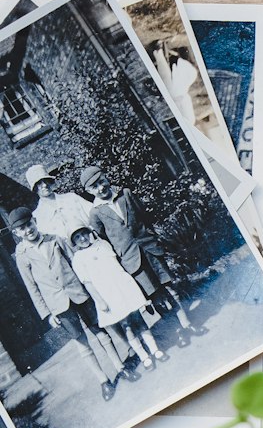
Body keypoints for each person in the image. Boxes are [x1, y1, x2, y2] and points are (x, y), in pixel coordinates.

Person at [9, 207, 126, 401]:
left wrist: (91, 289)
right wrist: (47, 314)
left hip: (79, 293)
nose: (28, 229)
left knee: (100, 330)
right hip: (58, 305)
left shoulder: (55, 239)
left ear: (34, 221)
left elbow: (75, 263)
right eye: (22, 228)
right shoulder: (22, 256)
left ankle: (120, 366)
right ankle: (103, 380)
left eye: (29, 224)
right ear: (16, 233)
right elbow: (32, 287)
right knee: (81, 342)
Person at [80, 165, 203, 340]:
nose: (101, 188)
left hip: (150, 251)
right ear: (89, 191)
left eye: (101, 181)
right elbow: (103, 239)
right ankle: (177, 331)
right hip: (132, 261)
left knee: (170, 289)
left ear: (106, 178)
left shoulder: (126, 195)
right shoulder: (96, 213)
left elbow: (144, 217)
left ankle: (187, 324)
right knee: (156, 297)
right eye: (95, 187)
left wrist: (152, 238)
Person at [67, 225, 166, 373]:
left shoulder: (103, 244)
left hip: (123, 286)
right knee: (126, 325)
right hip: (108, 294)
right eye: (77, 237)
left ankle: (154, 349)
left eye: (84, 234)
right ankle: (144, 356)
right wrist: (99, 300)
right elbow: (88, 283)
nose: (82, 238)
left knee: (138, 319)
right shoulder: (78, 259)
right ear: (74, 242)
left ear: (89, 233)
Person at [23, 164, 94, 242]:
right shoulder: (38, 216)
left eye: (46, 180)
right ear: (35, 188)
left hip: (91, 242)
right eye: (39, 183)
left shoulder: (71, 198)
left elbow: (93, 213)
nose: (44, 185)